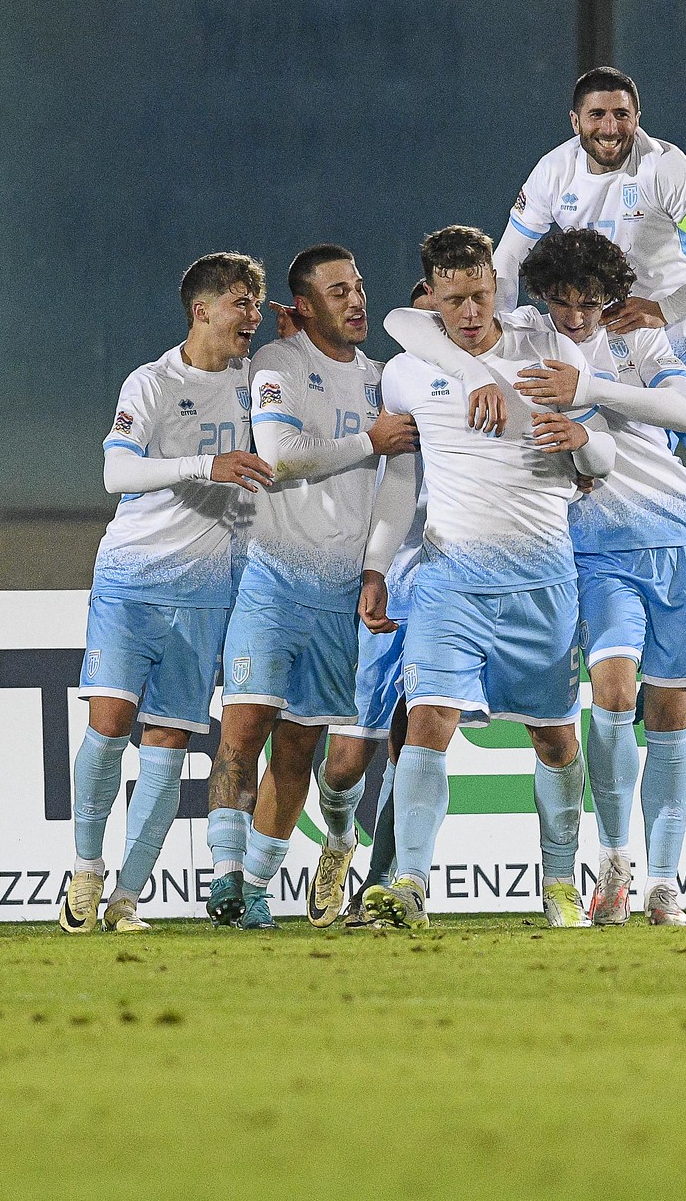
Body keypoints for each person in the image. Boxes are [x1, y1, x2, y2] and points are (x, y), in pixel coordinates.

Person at [390, 226, 686, 926]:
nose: (577, 317)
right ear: (542, 296)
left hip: (675, 536)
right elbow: (407, 321)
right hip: (593, 552)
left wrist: (591, 389)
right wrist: (477, 374)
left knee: (671, 716)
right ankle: (614, 858)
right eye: (563, 302)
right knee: (610, 694)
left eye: (592, 303)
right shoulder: (527, 336)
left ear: (612, 297)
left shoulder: (636, 341)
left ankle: (662, 882)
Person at [494, 66, 686, 722]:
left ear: (637, 116)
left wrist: (667, 305)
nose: (610, 128)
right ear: (575, 121)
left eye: (621, 115)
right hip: (610, 350)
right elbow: (506, 265)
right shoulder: (552, 174)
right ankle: (614, 649)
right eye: (597, 116)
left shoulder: (669, 169)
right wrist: (499, 347)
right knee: (589, 484)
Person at [358, 225, 617, 930]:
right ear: (433, 297)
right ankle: (409, 883)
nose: (468, 313)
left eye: (479, 294)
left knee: (554, 740)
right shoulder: (409, 369)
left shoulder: (547, 348)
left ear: (496, 285)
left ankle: (560, 882)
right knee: (428, 725)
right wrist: (377, 566)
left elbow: (601, 462)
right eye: (453, 300)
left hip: (542, 579)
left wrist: (587, 442)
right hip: (449, 578)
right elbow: (401, 475)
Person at [203, 245, 417, 931]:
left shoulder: (385, 381)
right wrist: (368, 443)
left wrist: (377, 567)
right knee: (242, 731)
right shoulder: (278, 365)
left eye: (358, 286)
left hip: (336, 593)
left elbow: (399, 487)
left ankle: (257, 891)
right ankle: (225, 877)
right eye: (336, 292)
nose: (356, 302)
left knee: (299, 753)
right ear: (302, 307)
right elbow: (278, 457)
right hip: (271, 578)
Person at [61, 253, 274, 934]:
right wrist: (202, 466)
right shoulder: (152, 382)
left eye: (259, 303)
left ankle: (127, 897)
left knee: (167, 744)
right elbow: (114, 472)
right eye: (242, 302)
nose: (253, 316)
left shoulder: (258, 382)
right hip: (131, 579)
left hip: (207, 591)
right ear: (201, 309)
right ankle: (86, 870)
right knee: (110, 724)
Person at [313, 282, 435, 929]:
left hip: (441, 590)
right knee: (345, 765)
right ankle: (338, 837)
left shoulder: (485, 387)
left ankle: (383, 887)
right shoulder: (385, 387)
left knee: (414, 743)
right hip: (378, 581)